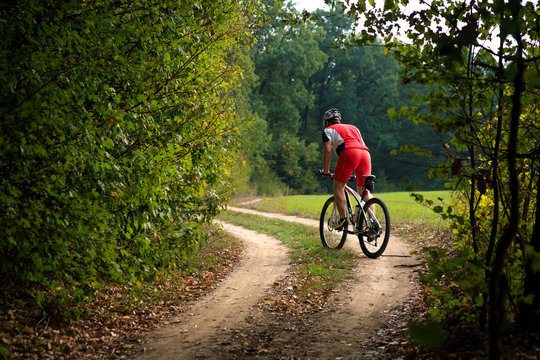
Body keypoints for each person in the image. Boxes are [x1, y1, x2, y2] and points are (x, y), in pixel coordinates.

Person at [321, 108, 372, 230]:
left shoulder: (328, 130)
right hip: (365, 154)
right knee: (364, 191)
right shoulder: (354, 128)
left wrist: (326, 170)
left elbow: (328, 151)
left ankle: (343, 220)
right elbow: (359, 145)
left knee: (339, 186)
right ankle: (372, 223)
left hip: (349, 153)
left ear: (327, 122)